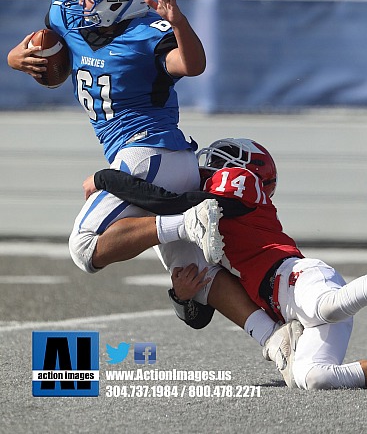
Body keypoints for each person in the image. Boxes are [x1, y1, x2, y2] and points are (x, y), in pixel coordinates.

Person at [7, 0, 298, 383]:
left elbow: (193, 65)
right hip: (165, 160)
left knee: (85, 247)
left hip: (147, 154)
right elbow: (35, 47)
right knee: (194, 277)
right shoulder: (68, 13)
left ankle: (186, 221)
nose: (81, 3)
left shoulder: (148, 34)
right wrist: (17, 59)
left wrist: (179, 22)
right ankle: (276, 340)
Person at [84, 137, 367, 390]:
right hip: (288, 308)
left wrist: (106, 179)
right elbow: (199, 318)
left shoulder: (240, 183)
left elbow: (170, 204)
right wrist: (181, 296)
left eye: (222, 157)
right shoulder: (206, 228)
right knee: (314, 378)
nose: (210, 163)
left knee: (328, 306)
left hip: (296, 278)